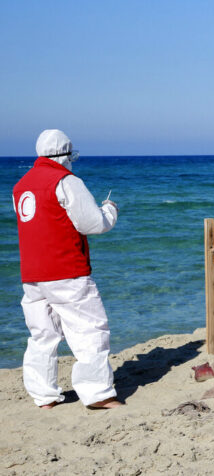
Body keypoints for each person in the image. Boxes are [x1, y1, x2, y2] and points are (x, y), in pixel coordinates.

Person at [12, 129, 123, 409]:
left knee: (43, 335)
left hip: (33, 273)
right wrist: (110, 210)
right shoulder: (66, 181)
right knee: (90, 330)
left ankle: (44, 396)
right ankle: (99, 394)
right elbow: (93, 224)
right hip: (66, 270)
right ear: (65, 155)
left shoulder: (21, 185)